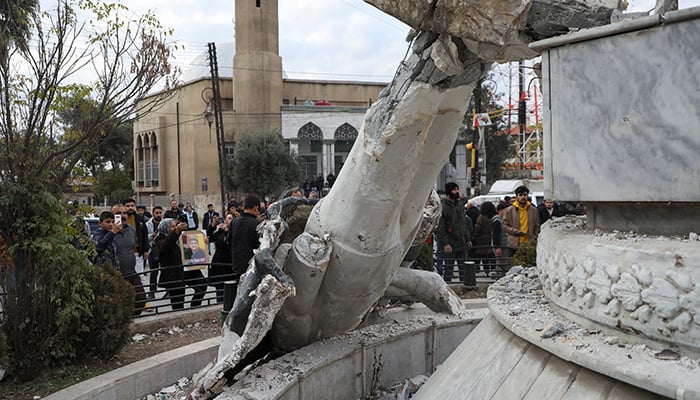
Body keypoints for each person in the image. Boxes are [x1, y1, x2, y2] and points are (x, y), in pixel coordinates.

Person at [95, 206, 147, 315]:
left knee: (140, 299)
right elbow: (99, 248)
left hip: (130, 271)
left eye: (124, 213)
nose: (122, 216)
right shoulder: (108, 233)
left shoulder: (131, 229)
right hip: (115, 274)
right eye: (118, 213)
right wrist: (113, 232)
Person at [156, 218, 207, 309]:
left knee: (202, 285)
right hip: (174, 274)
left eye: (175, 226)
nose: (175, 228)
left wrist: (203, 240)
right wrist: (176, 232)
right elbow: (165, 246)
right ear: (165, 228)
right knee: (178, 302)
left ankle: (194, 307)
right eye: (172, 227)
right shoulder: (160, 239)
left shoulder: (180, 235)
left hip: (188, 270)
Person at [434, 182, 473, 288]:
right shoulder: (443, 207)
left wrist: (468, 238)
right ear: (448, 192)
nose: (457, 192)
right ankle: (447, 288)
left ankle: (465, 287)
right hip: (450, 244)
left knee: (464, 269)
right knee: (449, 269)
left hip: (461, 242)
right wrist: (446, 243)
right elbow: (440, 227)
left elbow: (463, 223)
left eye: (457, 189)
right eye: (454, 190)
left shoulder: (459, 205)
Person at [228, 196, 262, 297]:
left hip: (237, 264)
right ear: (256, 208)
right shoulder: (256, 224)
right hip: (251, 265)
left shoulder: (234, 222)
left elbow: (230, 241)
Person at [502, 185, 540, 257]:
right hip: (514, 244)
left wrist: (534, 237)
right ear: (516, 196)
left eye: (525, 195)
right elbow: (504, 226)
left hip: (529, 244)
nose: (523, 197)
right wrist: (514, 231)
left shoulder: (534, 210)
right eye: (520, 195)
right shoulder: (509, 210)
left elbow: (537, 226)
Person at [122, 198, 150, 289]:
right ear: (124, 207)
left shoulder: (139, 219)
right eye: (128, 206)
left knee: (140, 274)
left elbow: (144, 235)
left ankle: (143, 296)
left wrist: (146, 250)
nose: (130, 208)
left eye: (132, 206)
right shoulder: (120, 219)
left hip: (137, 252)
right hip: (124, 253)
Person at [208, 213, 235, 303]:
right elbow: (209, 237)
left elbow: (231, 246)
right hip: (219, 264)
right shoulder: (221, 231)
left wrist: (228, 231)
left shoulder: (235, 232)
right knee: (219, 291)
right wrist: (213, 225)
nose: (227, 220)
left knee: (230, 291)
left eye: (230, 218)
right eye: (226, 218)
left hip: (229, 265)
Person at [472, 201, 498, 273]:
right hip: (491, 238)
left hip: (481, 240)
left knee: (484, 256)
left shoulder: (481, 217)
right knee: (492, 255)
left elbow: (477, 229)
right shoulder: (494, 216)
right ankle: (493, 269)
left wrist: (474, 237)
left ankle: (486, 271)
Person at [145, 206, 164, 300]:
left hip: (163, 250)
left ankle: (169, 291)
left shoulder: (165, 224)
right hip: (152, 250)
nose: (158, 215)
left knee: (166, 270)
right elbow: (145, 237)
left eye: (160, 213)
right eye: (156, 213)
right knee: (153, 272)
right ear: (153, 214)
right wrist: (152, 236)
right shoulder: (148, 224)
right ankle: (152, 292)